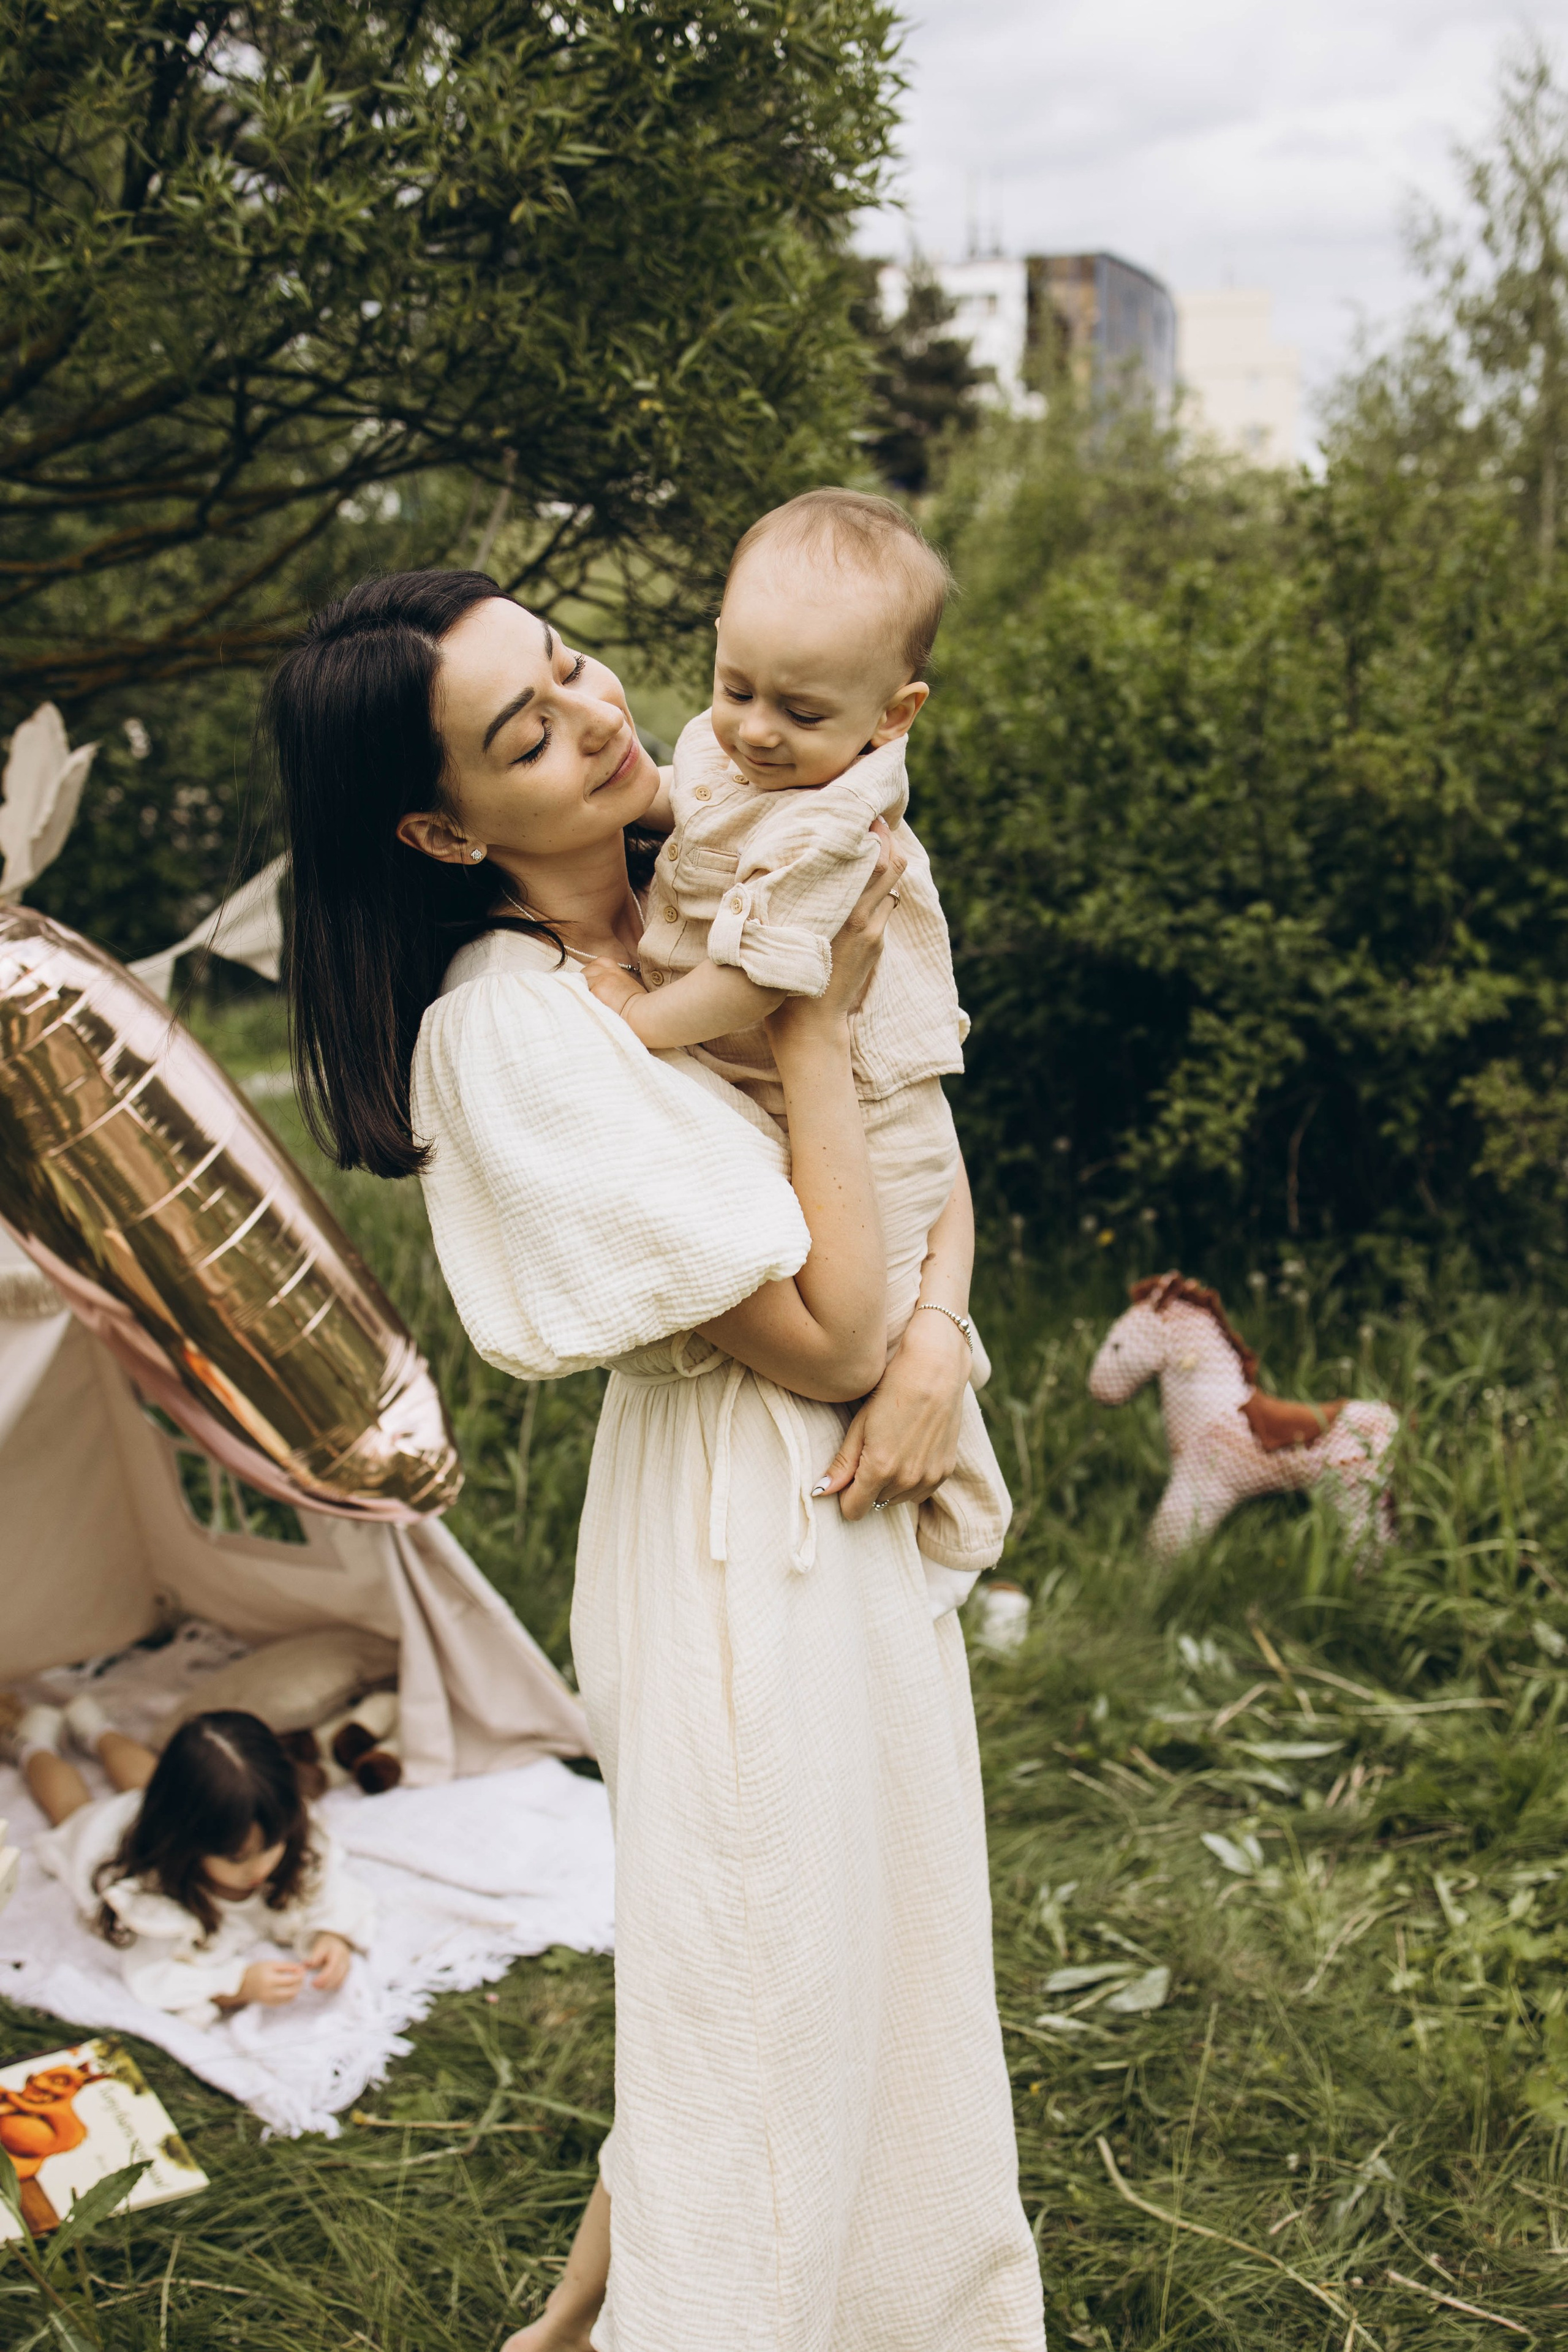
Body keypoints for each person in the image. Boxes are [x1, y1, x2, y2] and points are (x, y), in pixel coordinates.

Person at [268, 568, 1044, 2352]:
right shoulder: (509, 1031)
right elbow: (825, 1323)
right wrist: (809, 1022)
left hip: (853, 1496)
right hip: (728, 1533)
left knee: (875, 1956)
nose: (600, 710)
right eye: (525, 732)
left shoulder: (719, 866)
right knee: (760, 1979)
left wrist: (943, 1339)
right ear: (436, 824)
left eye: (572, 662)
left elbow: (918, 1160)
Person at [583, 487, 1011, 1612]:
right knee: (867, 1278)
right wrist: (650, 814)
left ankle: (958, 1487)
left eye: (802, 713)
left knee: (900, 1260)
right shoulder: (743, 751)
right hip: (795, 1083)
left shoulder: (834, 823)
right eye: (737, 689)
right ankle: (932, 1493)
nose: (757, 730)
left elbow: (765, 980)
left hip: (874, 1094)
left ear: (893, 714)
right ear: (720, 650)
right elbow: (700, 804)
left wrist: (629, 1016)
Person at [12, 1702, 374, 2026]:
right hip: (110, 1836)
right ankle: (33, 1747)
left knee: (147, 1780)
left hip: (190, 1807)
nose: (258, 1869)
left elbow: (327, 1887)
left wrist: (330, 1933)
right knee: (74, 1812)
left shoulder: (277, 1826)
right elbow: (154, 1975)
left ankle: (98, 1730)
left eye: (272, 1845)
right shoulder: (152, 1892)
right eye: (236, 1858)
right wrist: (236, 1986)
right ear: (186, 1842)